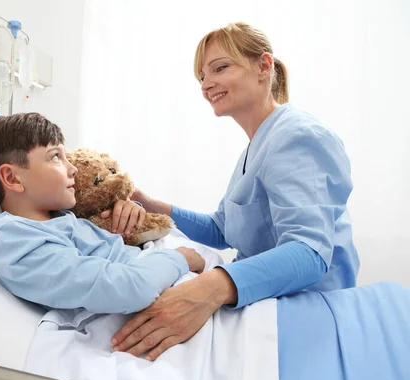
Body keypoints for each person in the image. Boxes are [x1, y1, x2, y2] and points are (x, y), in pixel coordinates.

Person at [109, 22, 360, 361]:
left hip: (307, 309)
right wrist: (154, 205)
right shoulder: (257, 146)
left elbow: (310, 253)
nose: (206, 84)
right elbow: (223, 229)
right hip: (262, 297)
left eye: (220, 68)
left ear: (263, 66)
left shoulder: (298, 136)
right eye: (201, 76)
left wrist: (210, 287)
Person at [0, 112, 212, 315]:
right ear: (12, 178)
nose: (72, 168)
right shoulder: (17, 242)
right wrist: (181, 259)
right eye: (55, 157)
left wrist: (130, 210)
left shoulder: (62, 214)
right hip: (175, 276)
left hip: (183, 273)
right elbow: (127, 288)